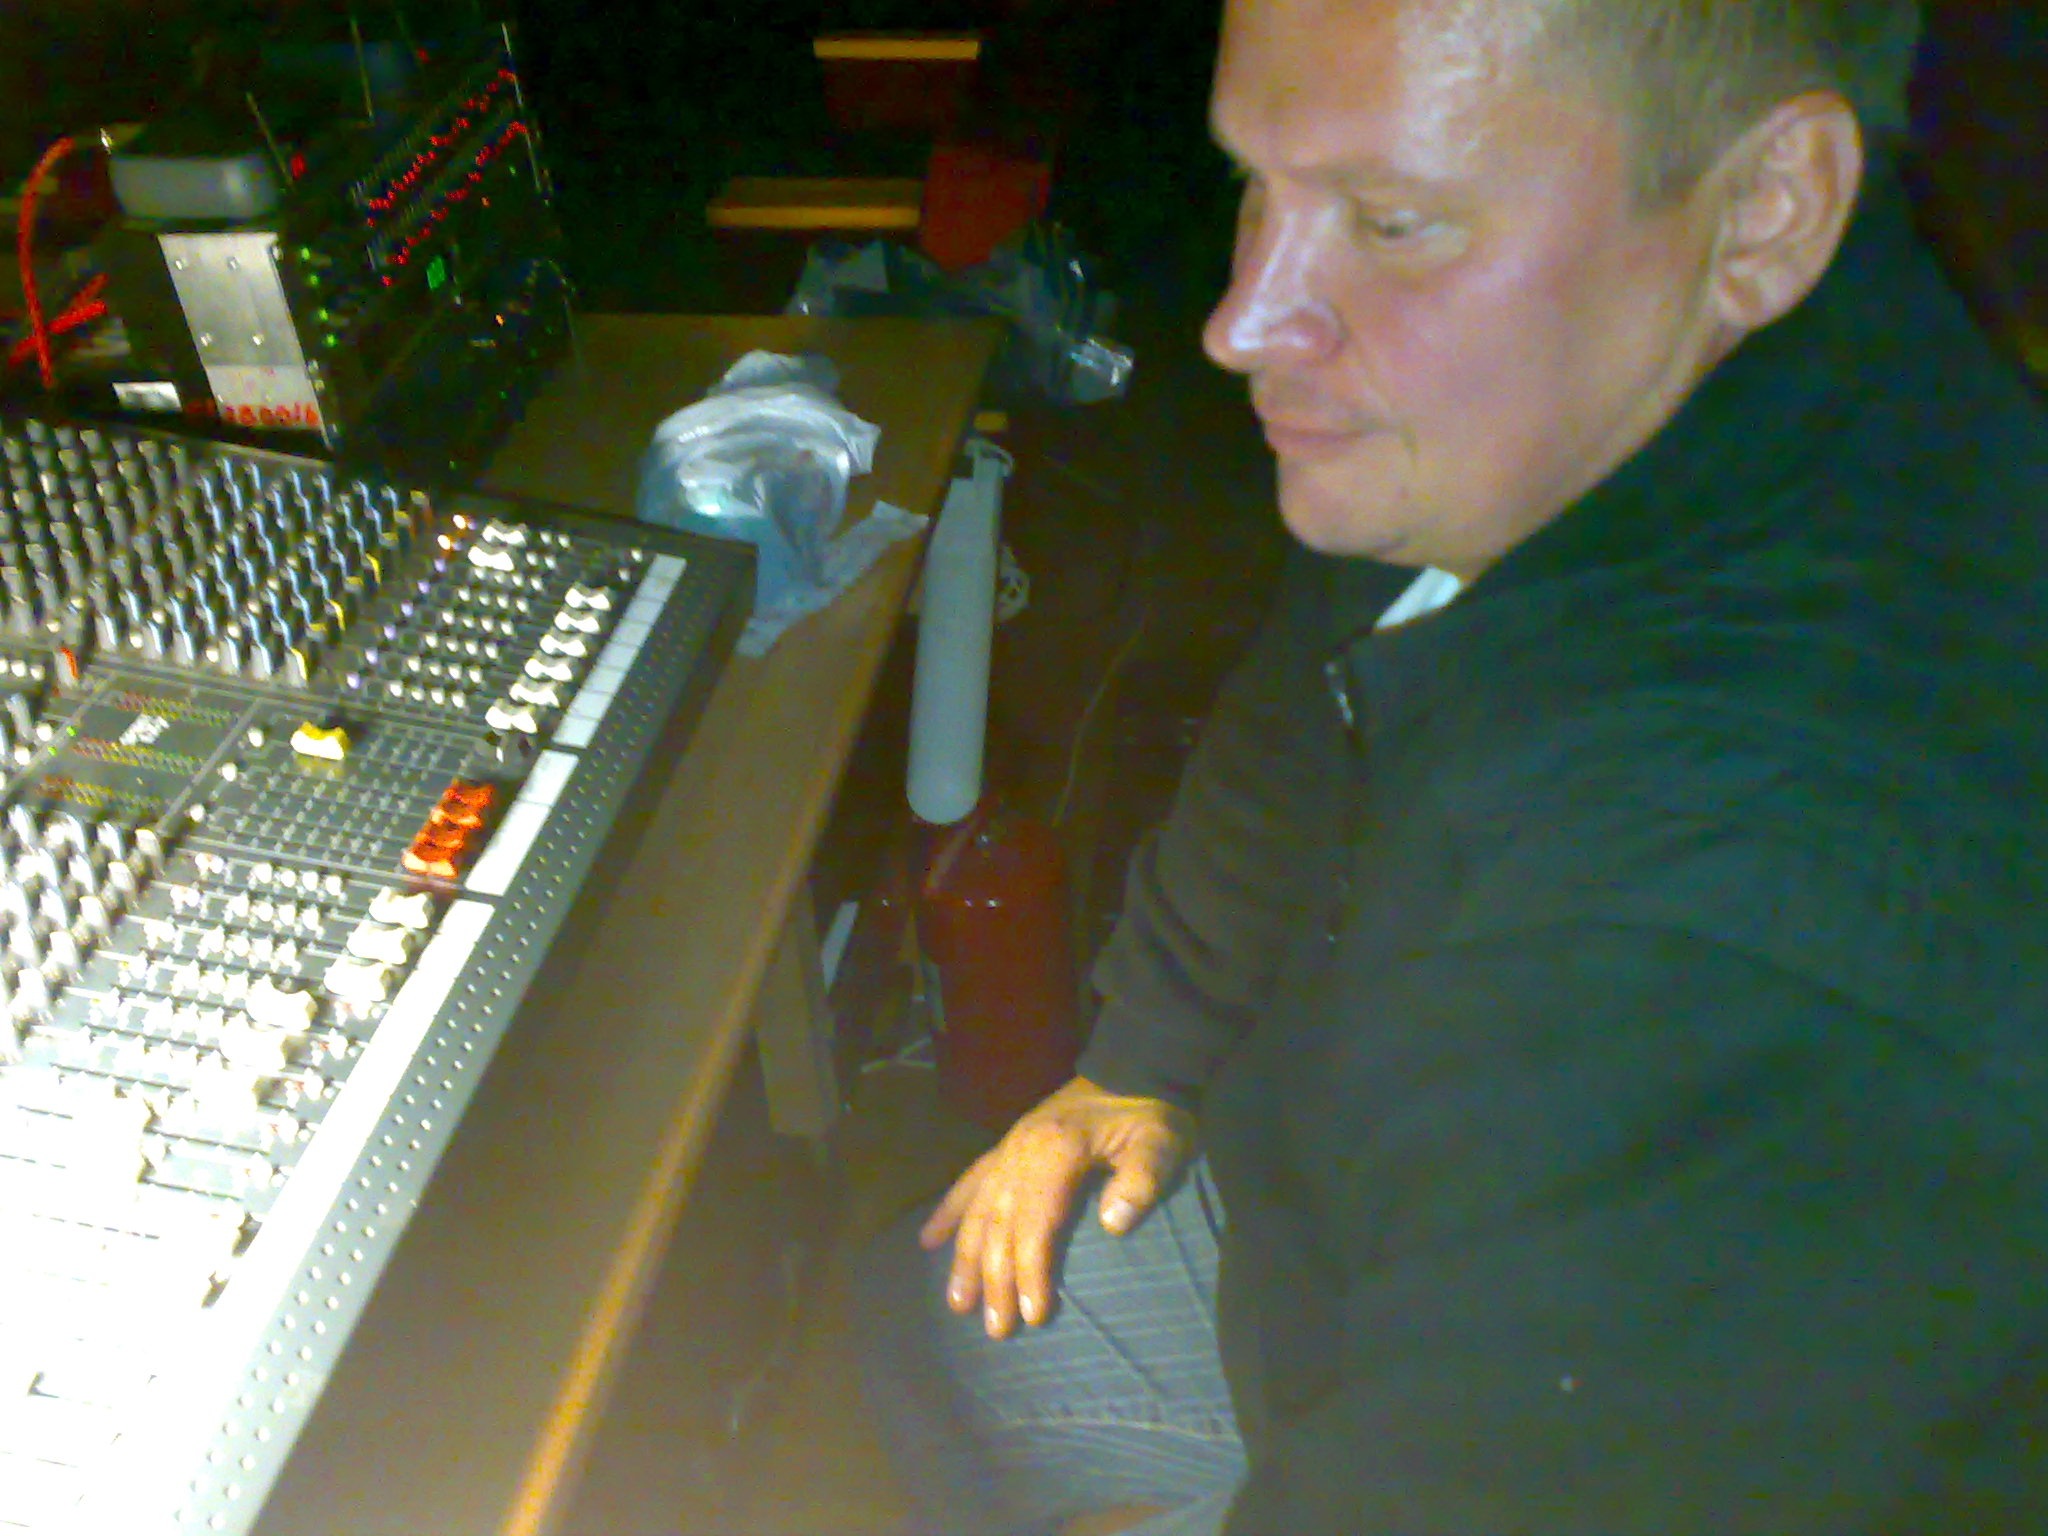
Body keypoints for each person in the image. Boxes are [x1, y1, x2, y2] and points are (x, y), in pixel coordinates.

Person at [857, 0, 2048, 1531]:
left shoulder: (1712, 982)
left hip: (1568, 1355)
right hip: (1363, 1197)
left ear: (1767, 205)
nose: (1241, 323)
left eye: (1391, 221)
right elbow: (1310, 696)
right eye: (1256, 186)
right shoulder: (1575, 400)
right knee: (934, 1306)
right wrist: (1137, 1057)